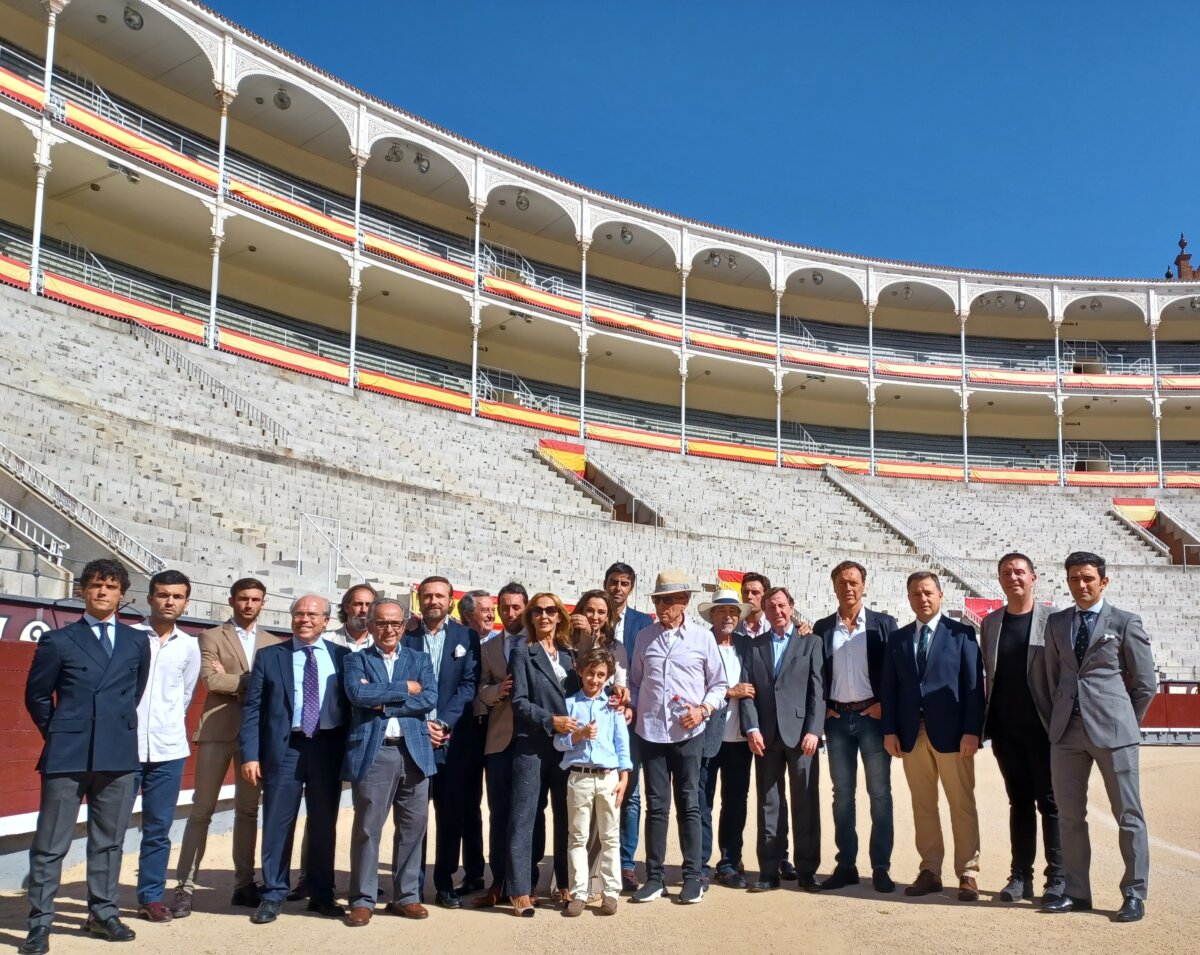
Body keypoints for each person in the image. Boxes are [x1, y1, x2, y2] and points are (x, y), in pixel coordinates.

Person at [21, 558, 151, 955]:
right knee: (51, 842)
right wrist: (61, 733)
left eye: (111, 586)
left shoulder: (136, 641)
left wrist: (109, 729)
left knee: (109, 841)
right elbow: (37, 696)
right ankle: (40, 922)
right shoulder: (58, 640)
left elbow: (134, 693)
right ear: (82, 590)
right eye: (95, 585)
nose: (102, 592)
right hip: (68, 754)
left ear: (122, 594)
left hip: (118, 753)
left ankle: (102, 913)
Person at [1043, 552, 1156, 922]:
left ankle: (1134, 894)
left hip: (1115, 731)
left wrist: (1126, 723)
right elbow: (1052, 676)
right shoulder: (1057, 622)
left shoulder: (1125, 621)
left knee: (1128, 814)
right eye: (1074, 578)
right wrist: (1059, 719)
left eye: (1088, 578)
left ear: (1103, 581)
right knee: (1069, 816)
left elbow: (1145, 683)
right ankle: (1077, 893)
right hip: (1067, 732)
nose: (1081, 584)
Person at [173, 577, 281, 915]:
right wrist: (254, 682)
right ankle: (184, 887)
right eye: (243, 598)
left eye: (255, 599)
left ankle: (244, 884)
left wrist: (235, 681)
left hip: (255, 736)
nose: (249, 604)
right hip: (218, 731)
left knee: (248, 811)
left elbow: (268, 687)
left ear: (263, 603)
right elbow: (211, 680)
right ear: (232, 600)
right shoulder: (210, 636)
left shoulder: (273, 642)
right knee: (201, 810)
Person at [241, 594, 349, 924]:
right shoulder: (270, 656)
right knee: (277, 821)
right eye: (299, 614)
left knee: (323, 823)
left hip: (328, 747)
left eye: (313, 615)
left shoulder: (342, 657)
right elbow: (253, 709)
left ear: (326, 621)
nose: (305, 619)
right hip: (285, 748)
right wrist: (250, 754)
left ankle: (321, 893)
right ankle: (273, 894)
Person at [882, 571, 984, 902]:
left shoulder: (962, 634)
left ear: (940, 595)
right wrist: (890, 730)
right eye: (916, 593)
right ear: (909, 599)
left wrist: (972, 731)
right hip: (913, 734)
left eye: (928, 592)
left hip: (954, 735)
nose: (922, 598)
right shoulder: (898, 639)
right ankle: (930, 870)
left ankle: (967, 872)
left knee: (961, 804)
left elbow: (973, 686)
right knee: (923, 804)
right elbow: (890, 689)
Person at [628, 569, 728, 905]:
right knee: (656, 806)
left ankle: (693, 876)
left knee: (689, 804)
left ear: (684, 601)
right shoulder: (644, 637)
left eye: (668, 600)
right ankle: (654, 877)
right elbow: (636, 682)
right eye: (658, 600)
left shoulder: (702, 638)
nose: (662, 607)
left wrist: (703, 710)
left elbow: (719, 684)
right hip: (651, 732)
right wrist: (631, 704)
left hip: (689, 732)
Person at [342, 598, 439, 925]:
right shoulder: (356, 660)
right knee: (368, 828)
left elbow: (429, 698)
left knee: (413, 827)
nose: (389, 629)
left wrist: (383, 700)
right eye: (382, 623)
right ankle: (363, 898)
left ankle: (407, 896)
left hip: (415, 752)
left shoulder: (419, 659)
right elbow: (358, 695)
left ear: (403, 626)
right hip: (375, 750)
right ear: (370, 625)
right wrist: (405, 689)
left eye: (395, 623)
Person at [980, 553, 1063, 904]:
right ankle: (1020, 877)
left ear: (1033, 578)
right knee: (1019, 803)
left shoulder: (1054, 621)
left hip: (1043, 729)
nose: (1012, 577)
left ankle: (1057, 878)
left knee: (1051, 803)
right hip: (1005, 730)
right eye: (1005, 573)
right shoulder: (990, 623)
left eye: (1019, 572)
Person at [813, 560, 898, 893]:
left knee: (880, 794)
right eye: (842, 583)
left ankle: (881, 867)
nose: (848, 588)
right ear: (834, 587)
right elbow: (815, 674)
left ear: (864, 585)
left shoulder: (883, 624)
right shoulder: (823, 628)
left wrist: (885, 705)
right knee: (842, 795)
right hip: (837, 721)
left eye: (853, 582)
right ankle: (846, 864)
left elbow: (895, 671)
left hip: (871, 718)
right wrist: (822, 709)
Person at [400, 576, 479, 908]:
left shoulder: (466, 637)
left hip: (451, 741)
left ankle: (444, 882)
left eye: (439, 596)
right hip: (413, 737)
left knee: (450, 817)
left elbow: (469, 685)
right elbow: (399, 683)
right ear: (420, 600)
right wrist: (422, 724)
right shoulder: (405, 636)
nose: (433, 601)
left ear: (450, 601)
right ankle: (411, 887)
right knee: (413, 817)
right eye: (428, 596)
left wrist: (443, 722)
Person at [740, 586, 825, 894]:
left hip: (802, 736)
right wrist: (751, 728)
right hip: (766, 736)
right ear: (764, 610)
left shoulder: (811, 642)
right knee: (769, 803)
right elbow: (747, 691)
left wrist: (814, 730)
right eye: (771, 606)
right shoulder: (754, 646)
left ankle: (807, 871)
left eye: (782, 605)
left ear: (791, 607)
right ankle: (769, 870)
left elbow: (818, 689)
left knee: (806, 803)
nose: (777, 611)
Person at [130, 570, 201, 923]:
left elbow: (185, 695)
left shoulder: (189, 646)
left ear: (186, 602)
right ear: (150, 598)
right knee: (110, 828)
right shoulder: (129, 637)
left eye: (177, 596)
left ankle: (151, 897)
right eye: (163, 594)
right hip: (125, 747)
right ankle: (102, 903)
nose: (169, 601)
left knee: (158, 829)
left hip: (169, 749)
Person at [508, 592, 579, 916]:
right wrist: (550, 720)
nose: (544, 616)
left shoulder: (568, 653)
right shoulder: (523, 651)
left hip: (566, 747)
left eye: (550, 610)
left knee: (566, 817)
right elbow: (519, 701)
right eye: (537, 611)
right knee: (525, 817)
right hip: (533, 744)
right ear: (531, 617)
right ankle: (520, 889)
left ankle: (564, 883)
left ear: (559, 615)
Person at [473, 583, 544, 908]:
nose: (510, 613)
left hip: (534, 739)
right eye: (505, 607)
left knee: (533, 814)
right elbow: (480, 689)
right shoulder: (489, 647)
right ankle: (498, 881)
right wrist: (497, 692)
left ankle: (527, 881)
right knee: (499, 813)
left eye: (516, 607)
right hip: (500, 740)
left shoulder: (540, 642)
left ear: (526, 608)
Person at [556, 647, 633, 917]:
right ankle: (578, 892)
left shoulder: (612, 707)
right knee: (577, 837)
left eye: (601, 675)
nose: (595, 679)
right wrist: (578, 734)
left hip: (608, 777)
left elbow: (622, 744)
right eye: (590, 673)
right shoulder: (569, 705)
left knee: (610, 837)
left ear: (608, 677)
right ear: (580, 672)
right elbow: (558, 742)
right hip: (579, 777)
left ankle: (610, 892)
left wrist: (624, 777)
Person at [695, 591, 754, 889]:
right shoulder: (698, 642)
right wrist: (730, 692)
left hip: (739, 738)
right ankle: (699, 864)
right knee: (701, 802)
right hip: (706, 735)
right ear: (712, 615)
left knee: (735, 803)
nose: (728, 616)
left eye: (733, 612)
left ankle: (730, 863)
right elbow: (692, 686)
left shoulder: (746, 645)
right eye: (722, 611)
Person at [604, 562, 653, 890]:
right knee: (595, 788)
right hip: (596, 713)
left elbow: (647, 671)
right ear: (605, 584)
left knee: (630, 792)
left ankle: (625, 863)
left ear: (631, 588)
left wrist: (631, 704)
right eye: (613, 582)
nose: (618, 588)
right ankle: (597, 861)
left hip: (630, 716)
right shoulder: (592, 615)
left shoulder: (643, 623)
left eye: (624, 583)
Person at [452, 588, 492, 897]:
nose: (491, 614)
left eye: (492, 609)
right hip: (466, 730)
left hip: (497, 729)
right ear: (467, 615)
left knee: (503, 803)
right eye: (484, 610)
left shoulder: (501, 643)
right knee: (466, 803)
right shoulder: (456, 641)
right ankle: (474, 872)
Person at [570, 589, 629, 696]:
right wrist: (587, 635)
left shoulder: (615, 646)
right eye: (589, 610)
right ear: (581, 612)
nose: (594, 617)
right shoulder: (568, 642)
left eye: (601, 612)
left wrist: (620, 689)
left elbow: (621, 680)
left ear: (607, 617)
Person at [326, 583, 378, 652]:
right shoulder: (326, 640)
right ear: (346, 608)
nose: (364, 610)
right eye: (358, 604)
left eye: (368, 605)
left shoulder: (382, 644)